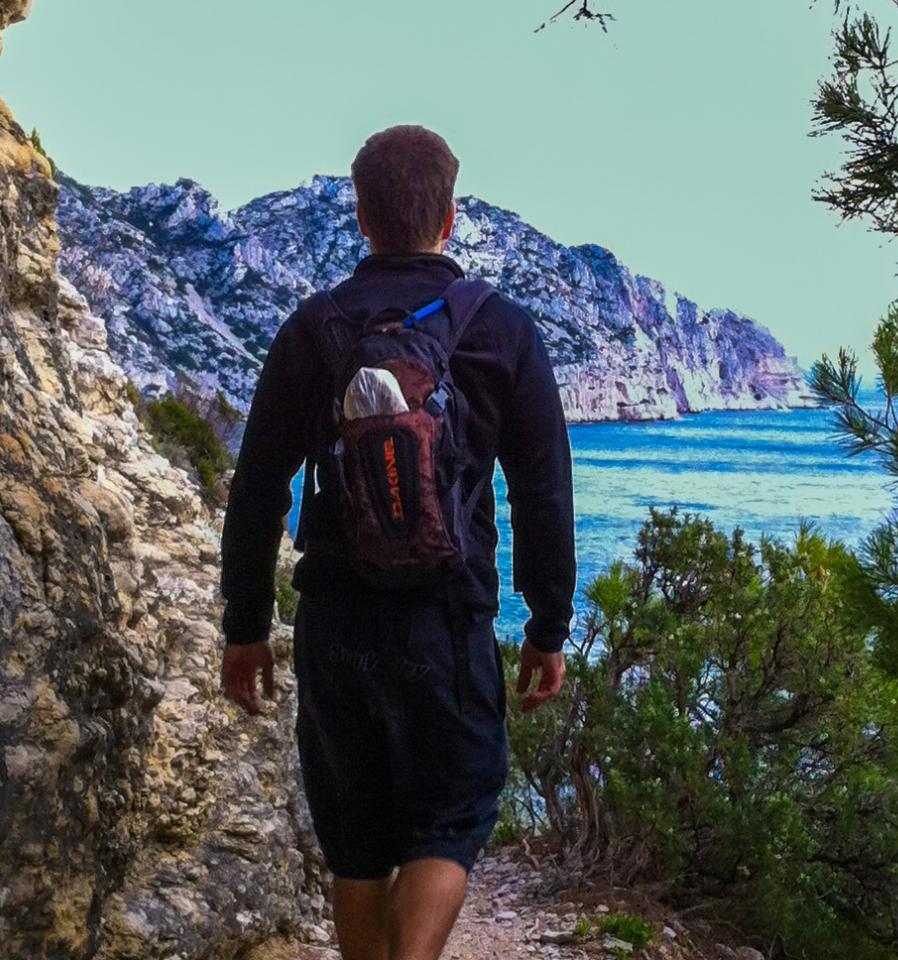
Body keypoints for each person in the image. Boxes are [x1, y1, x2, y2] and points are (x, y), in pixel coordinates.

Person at [217, 124, 576, 960]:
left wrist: (243, 626)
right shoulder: (502, 330)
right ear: (449, 218)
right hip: (446, 625)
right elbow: (543, 489)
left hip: (337, 623)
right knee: (449, 824)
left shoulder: (313, 329)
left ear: (360, 216)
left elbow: (259, 485)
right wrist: (547, 625)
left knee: (357, 843)